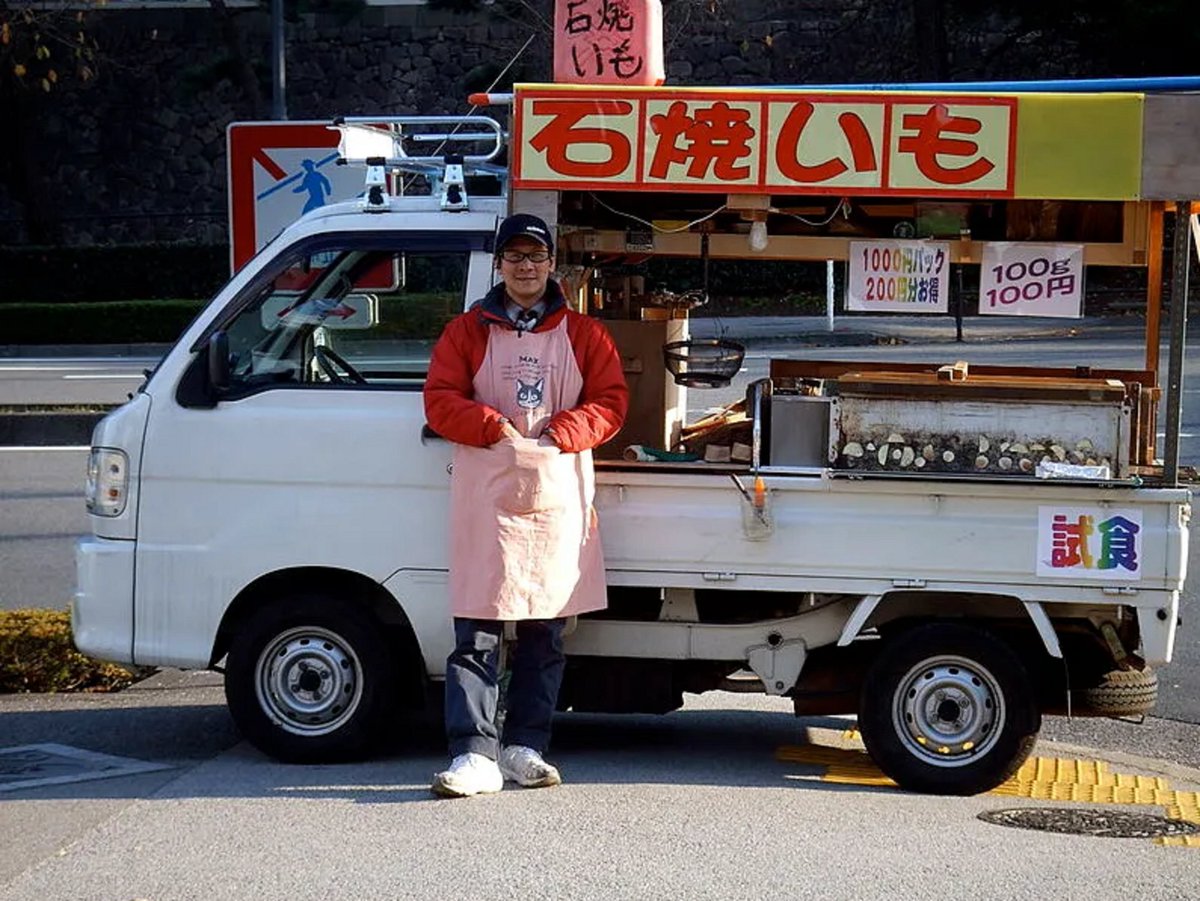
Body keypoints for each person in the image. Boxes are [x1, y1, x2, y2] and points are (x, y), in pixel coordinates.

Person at [423, 213, 628, 797]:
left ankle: (525, 747)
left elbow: (610, 402)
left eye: (535, 256)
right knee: (477, 631)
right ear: (499, 265)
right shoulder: (466, 332)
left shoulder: (586, 335)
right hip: (486, 497)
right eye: (514, 257)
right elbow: (439, 400)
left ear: (551, 264)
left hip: (556, 498)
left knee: (544, 633)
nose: (526, 266)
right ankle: (473, 755)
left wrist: (564, 431)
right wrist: (491, 426)